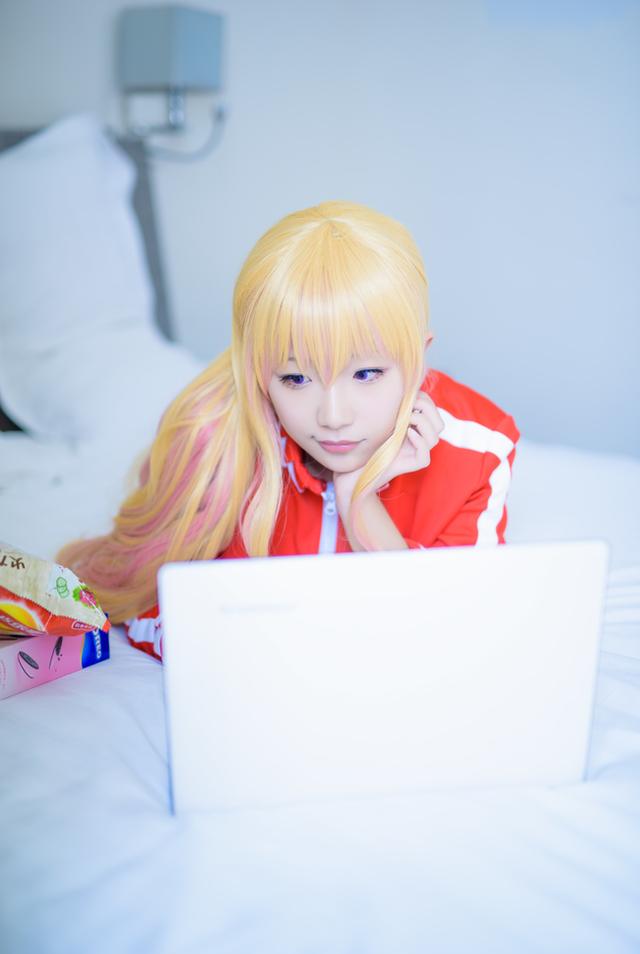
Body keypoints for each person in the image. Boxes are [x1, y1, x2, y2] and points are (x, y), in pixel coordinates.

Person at [56, 200, 520, 662]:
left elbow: (449, 636)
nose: (333, 417)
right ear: (259, 372)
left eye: (366, 374)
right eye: (295, 378)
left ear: (419, 357)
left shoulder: (482, 448)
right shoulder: (216, 440)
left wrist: (360, 500)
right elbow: (149, 604)